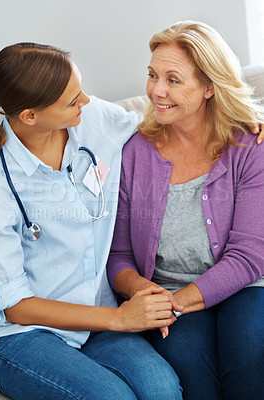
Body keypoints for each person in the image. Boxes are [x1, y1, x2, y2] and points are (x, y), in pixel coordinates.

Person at [0, 43, 184, 400]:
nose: (86, 101)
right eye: (72, 100)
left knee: (163, 390)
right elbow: (15, 306)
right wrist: (122, 320)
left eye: (80, 89)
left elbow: (162, 119)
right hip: (21, 332)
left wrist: (239, 123)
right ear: (30, 115)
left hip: (96, 314)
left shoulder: (93, 121)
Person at [107, 21, 264, 400]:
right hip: (168, 293)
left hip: (244, 287)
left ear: (210, 86)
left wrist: (179, 301)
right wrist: (146, 293)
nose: (156, 91)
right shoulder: (132, 152)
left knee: (250, 360)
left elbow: (250, 255)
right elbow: (119, 257)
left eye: (173, 80)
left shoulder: (248, 145)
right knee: (193, 376)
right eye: (152, 75)